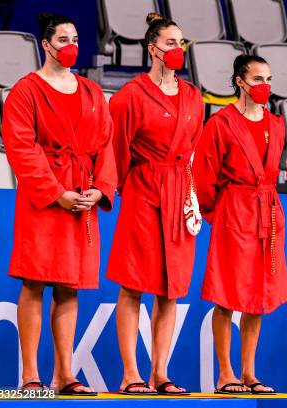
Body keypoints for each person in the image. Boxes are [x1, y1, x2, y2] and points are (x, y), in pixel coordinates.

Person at [2, 13, 116, 395]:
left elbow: (106, 146)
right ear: (46, 44)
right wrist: (55, 193)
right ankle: (31, 374)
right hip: (44, 200)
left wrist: (100, 188)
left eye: (76, 38)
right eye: (63, 38)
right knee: (34, 283)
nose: (71, 45)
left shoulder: (91, 92)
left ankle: (65, 375)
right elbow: (21, 147)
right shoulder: (26, 90)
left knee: (69, 286)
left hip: (81, 196)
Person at [106, 12, 203, 395]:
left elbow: (194, 148)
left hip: (179, 193)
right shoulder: (130, 95)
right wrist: (129, 187)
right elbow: (116, 152)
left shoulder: (194, 96)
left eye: (181, 43)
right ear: (152, 49)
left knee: (171, 289)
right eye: (169, 43)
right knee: (133, 286)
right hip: (143, 191)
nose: (177, 50)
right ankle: (131, 374)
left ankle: (159, 373)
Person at [193, 54, 287, 394]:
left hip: (267, 212)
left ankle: (249, 373)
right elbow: (203, 175)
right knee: (228, 297)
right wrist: (217, 213)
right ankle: (226, 373)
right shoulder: (220, 123)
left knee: (259, 297)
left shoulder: (276, 124)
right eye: (258, 79)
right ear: (239, 82)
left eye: (268, 79)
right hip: (234, 211)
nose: (265, 86)